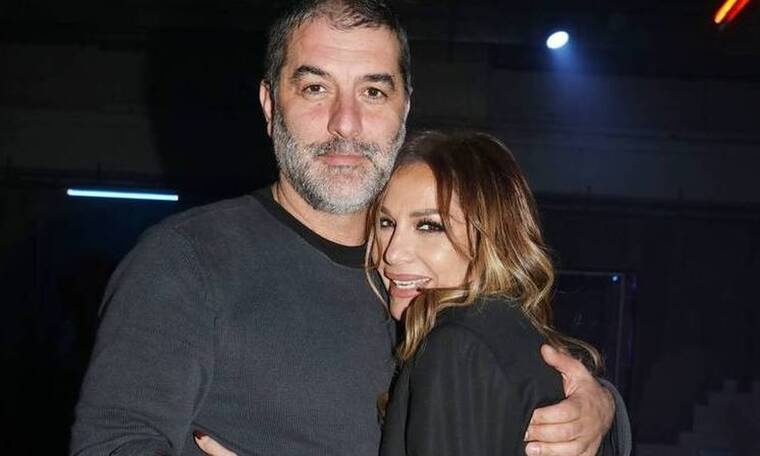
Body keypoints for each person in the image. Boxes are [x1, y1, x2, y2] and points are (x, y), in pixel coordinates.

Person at [71, 1, 630, 455]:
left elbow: (519, 375)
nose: (345, 123)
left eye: (373, 91)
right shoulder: (186, 261)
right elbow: (113, 444)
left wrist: (601, 412)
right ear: (270, 105)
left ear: (404, 109)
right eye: (315, 88)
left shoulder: (436, 268)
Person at [366, 130, 613, 455]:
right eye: (385, 223)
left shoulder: (456, 346)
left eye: (429, 226)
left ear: (492, 238)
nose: (393, 253)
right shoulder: (510, 334)